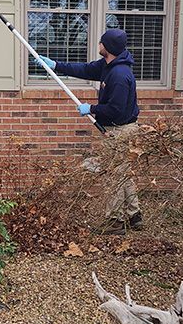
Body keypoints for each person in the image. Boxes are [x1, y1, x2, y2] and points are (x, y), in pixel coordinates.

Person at [40, 28, 142, 234]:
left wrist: (92, 108)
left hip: (122, 130)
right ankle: (134, 215)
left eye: (101, 42)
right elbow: (85, 70)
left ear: (108, 47)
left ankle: (115, 222)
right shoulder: (108, 65)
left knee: (115, 175)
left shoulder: (120, 75)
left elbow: (116, 109)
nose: (99, 44)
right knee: (123, 173)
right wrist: (56, 65)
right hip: (116, 128)